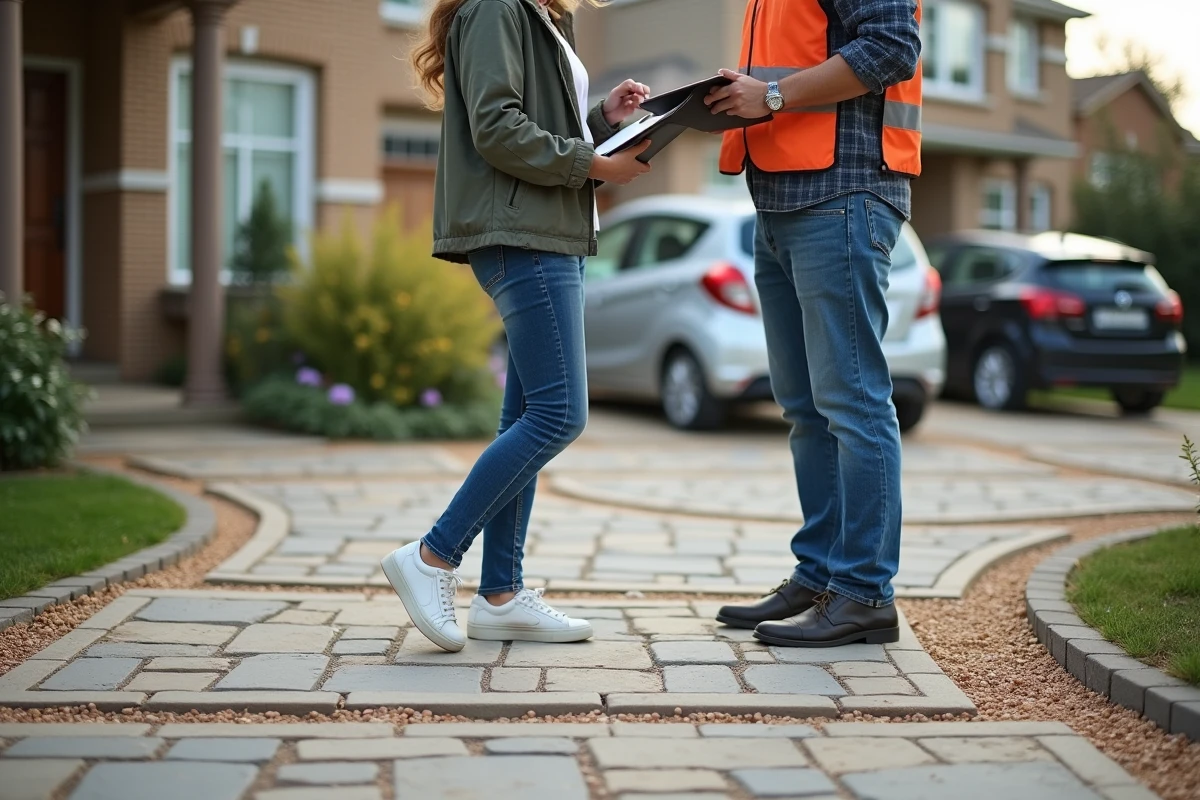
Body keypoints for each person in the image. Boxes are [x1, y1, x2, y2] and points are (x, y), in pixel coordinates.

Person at [379, 0, 650, 653]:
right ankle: (432, 556)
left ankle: (500, 595)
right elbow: (497, 129)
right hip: (525, 237)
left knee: (527, 415)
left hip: (549, 230)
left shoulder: (544, 17)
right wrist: (594, 165)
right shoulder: (497, 7)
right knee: (560, 414)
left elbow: (537, 126)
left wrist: (599, 122)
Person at [704, 0, 923, 647]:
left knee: (853, 403)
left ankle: (863, 594)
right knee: (805, 407)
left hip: (842, 196)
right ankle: (822, 575)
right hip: (778, 203)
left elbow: (890, 47)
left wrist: (769, 95)